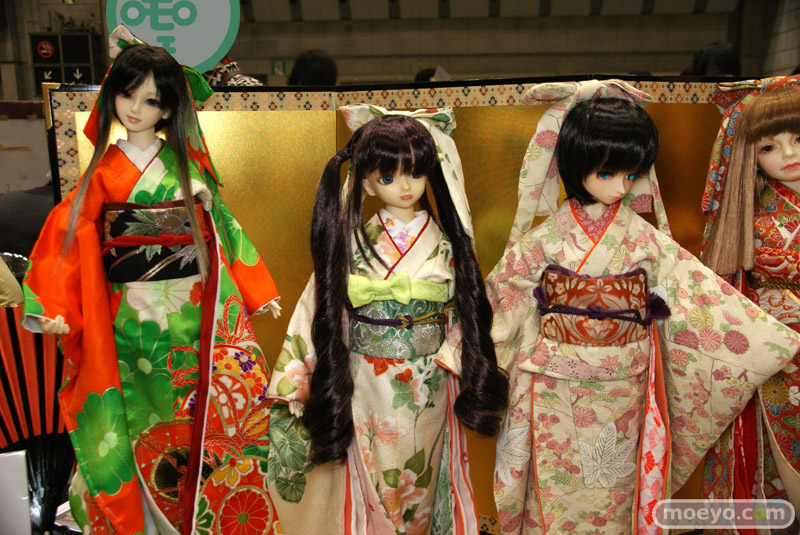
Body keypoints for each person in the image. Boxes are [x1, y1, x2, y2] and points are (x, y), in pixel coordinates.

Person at [436, 80, 800, 535]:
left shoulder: (643, 238)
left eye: (630, 175)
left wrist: (768, 340)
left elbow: (697, 295)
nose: (620, 187)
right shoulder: (547, 238)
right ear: (575, 165)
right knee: (557, 481)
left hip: (626, 383)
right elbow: (504, 293)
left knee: (617, 488)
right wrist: (463, 352)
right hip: (554, 384)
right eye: (607, 174)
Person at [20, 26, 282, 535]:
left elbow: (222, 232)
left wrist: (256, 291)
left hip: (189, 317)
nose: (136, 109)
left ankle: (192, 515)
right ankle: (142, 519)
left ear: (168, 110)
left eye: (151, 101)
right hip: (128, 317)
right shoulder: (103, 174)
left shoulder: (182, 168)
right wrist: (53, 307)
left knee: (191, 415)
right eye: (127, 95)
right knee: (136, 415)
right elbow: (66, 237)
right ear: (111, 96)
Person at [266, 106, 508, 534]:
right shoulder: (352, 244)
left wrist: (461, 357)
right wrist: (297, 381)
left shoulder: (446, 246)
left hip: (429, 383)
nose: (405, 186)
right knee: (370, 475)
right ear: (366, 183)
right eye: (388, 177)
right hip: (365, 382)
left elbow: (469, 309)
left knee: (423, 480)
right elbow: (316, 307)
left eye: (414, 173)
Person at [700, 76, 800, 528]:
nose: (788, 154)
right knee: (782, 463)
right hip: (780, 358)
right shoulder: (748, 216)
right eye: (769, 147)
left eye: (798, 139)